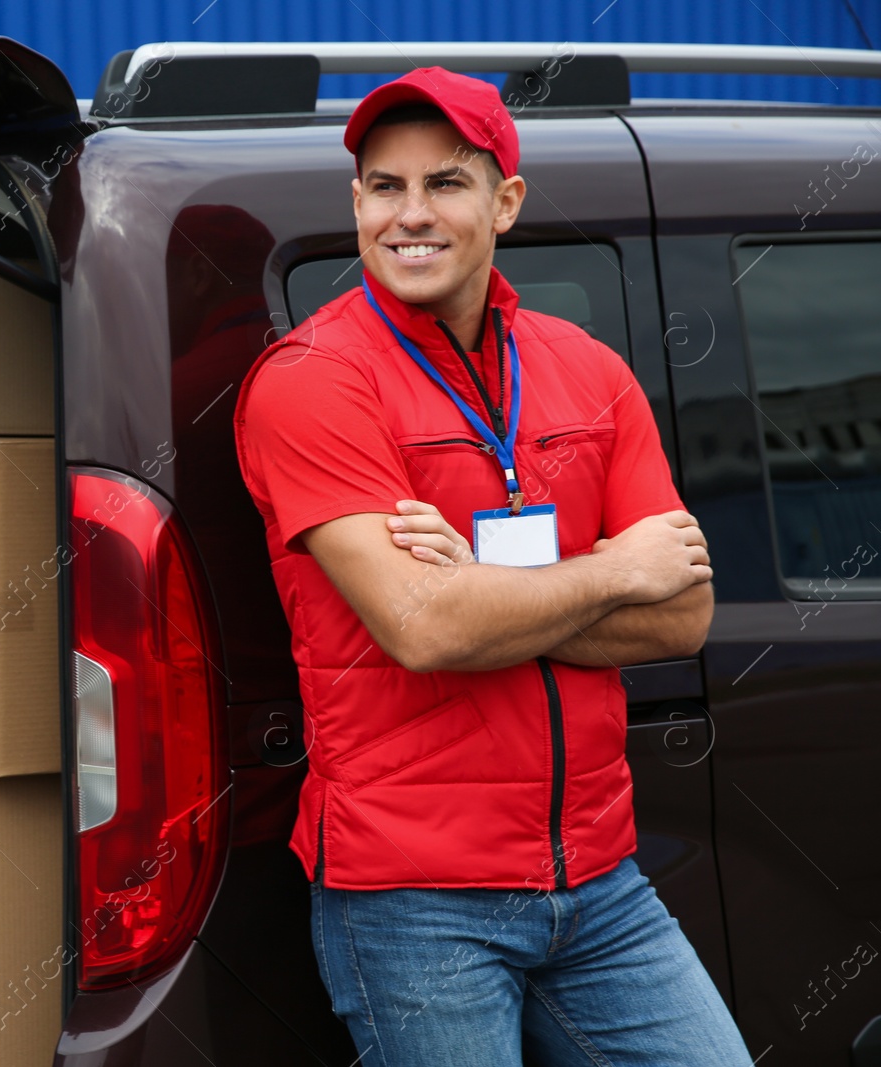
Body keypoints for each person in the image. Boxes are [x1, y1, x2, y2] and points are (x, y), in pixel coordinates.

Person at [231, 67, 753, 1066]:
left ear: (505, 201)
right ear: (355, 203)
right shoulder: (311, 383)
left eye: (447, 183)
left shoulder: (587, 370)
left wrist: (479, 584)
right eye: (385, 186)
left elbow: (681, 615)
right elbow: (424, 626)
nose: (410, 214)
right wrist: (608, 569)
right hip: (413, 897)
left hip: (598, 879)